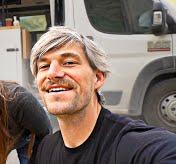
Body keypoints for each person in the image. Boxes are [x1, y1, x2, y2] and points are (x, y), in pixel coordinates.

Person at [29, 26, 176, 163]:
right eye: (44, 66)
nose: (53, 73)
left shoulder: (142, 148)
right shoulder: (45, 150)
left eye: (68, 62)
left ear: (98, 78)